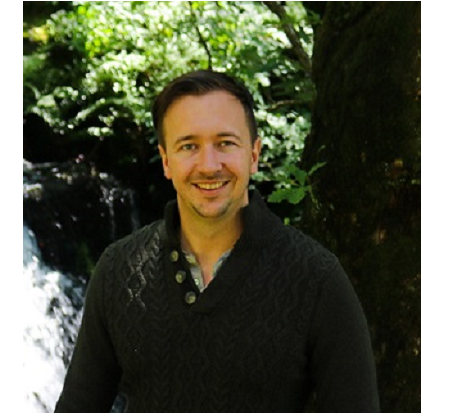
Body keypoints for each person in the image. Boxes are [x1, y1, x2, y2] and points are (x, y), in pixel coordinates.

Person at [54, 70, 380, 413]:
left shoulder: (316, 279)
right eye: (189, 146)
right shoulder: (119, 270)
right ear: (166, 160)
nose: (209, 165)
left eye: (225, 143)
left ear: (254, 154)